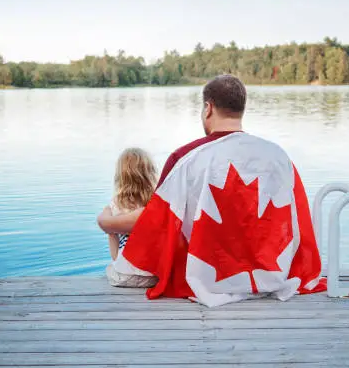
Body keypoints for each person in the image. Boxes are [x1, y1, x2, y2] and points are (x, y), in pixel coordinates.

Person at [98, 74, 325, 306]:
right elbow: (298, 220)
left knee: (118, 271)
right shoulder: (278, 156)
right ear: (241, 109)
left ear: (208, 108)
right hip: (270, 272)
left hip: (209, 275)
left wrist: (108, 223)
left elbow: (158, 223)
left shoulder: (184, 158)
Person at [101, 147, 159, 288]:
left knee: (110, 268)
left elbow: (112, 238)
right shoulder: (158, 201)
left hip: (124, 277)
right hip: (155, 276)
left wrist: (117, 262)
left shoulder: (116, 204)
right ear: (151, 173)